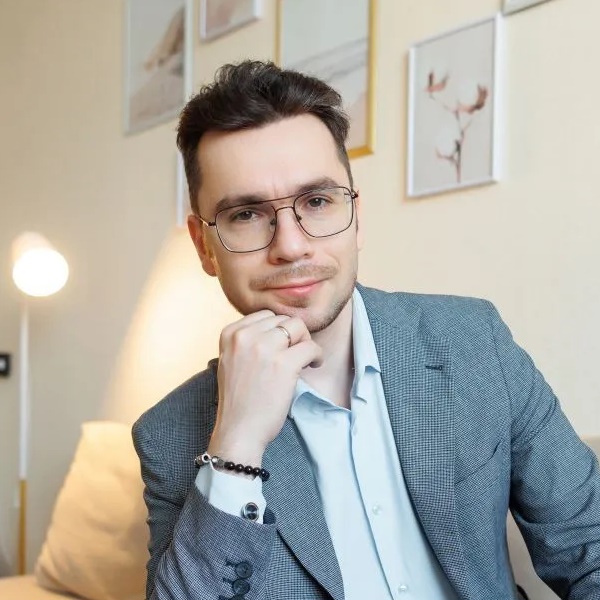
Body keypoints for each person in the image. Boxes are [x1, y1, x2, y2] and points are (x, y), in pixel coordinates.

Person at [132, 60, 600, 600]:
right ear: (203, 246)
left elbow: (588, 546)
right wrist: (236, 446)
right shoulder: (169, 435)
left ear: (356, 217)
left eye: (316, 202)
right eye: (246, 214)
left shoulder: (476, 341)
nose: (291, 246)